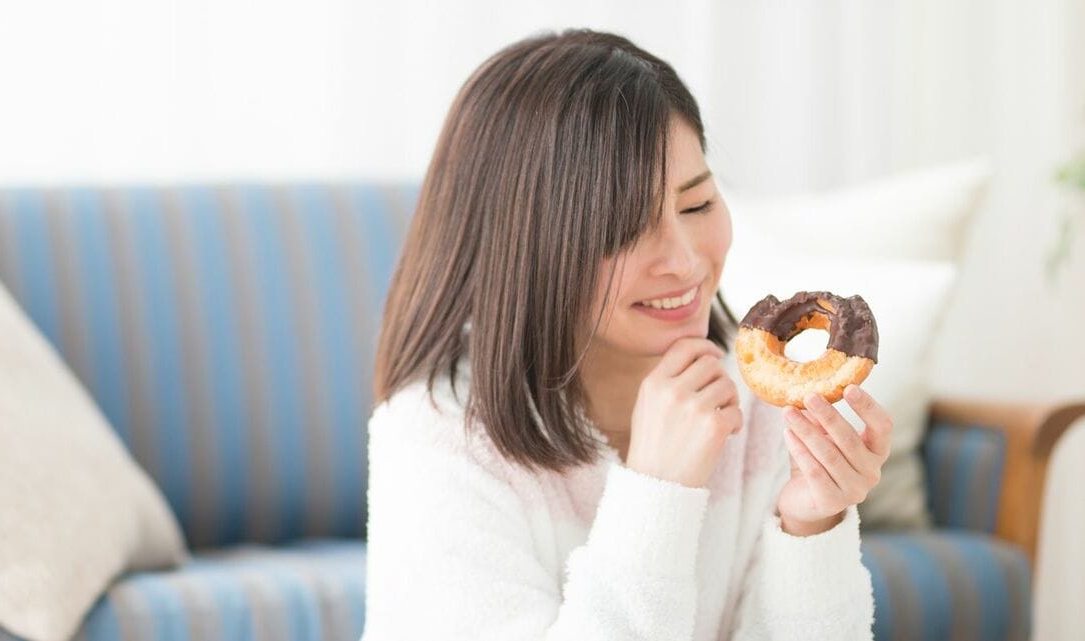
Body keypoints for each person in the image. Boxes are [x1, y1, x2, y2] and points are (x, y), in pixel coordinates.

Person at [362, 27, 891, 641]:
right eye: (625, 228)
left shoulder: (754, 407)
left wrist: (809, 523)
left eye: (696, 207)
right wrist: (658, 493)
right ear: (526, 248)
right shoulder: (440, 437)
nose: (687, 261)